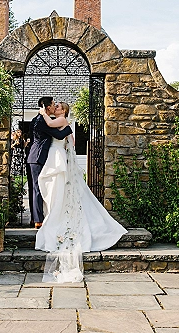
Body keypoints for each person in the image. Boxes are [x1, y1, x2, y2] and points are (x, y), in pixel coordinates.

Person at [35, 101, 127, 283]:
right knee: (55, 190)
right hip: (56, 157)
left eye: (59, 107)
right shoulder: (63, 123)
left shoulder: (60, 120)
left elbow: (50, 125)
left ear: (64, 111)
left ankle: (56, 218)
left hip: (57, 157)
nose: (57, 108)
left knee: (60, 193)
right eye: (56, 106)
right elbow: (71, 142)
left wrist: (42, 111)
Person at [27, 97, 73, 229]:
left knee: (37, 187)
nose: (54, 107)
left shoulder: (39, 119)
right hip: (38, 157)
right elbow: (58, 135)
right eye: (53, 105)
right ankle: (38, 220)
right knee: (37, 188)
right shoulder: (42, 120)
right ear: (47, 107)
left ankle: (35, 217)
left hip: (37, 157)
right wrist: (68, 129)